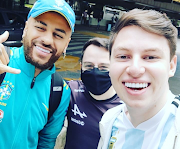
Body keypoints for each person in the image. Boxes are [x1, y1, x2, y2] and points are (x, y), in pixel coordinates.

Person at [98, 8, 180, 149]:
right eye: (123, 56)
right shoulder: (109, 121)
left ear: (171, 66)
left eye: (150, 57)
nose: (135, 69)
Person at [0, 0, 75, 148]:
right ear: (26, 27)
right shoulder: (2, 62)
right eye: (40, 27)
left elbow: (46, 142)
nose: (47, 40)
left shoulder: (60, 91)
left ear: (66, 44)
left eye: (58, 35)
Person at [64, 37, 122, 149]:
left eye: (104, 67)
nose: (95, 72)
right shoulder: (71, 91)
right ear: (81, 66)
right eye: (89, 66)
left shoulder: (126, 107)